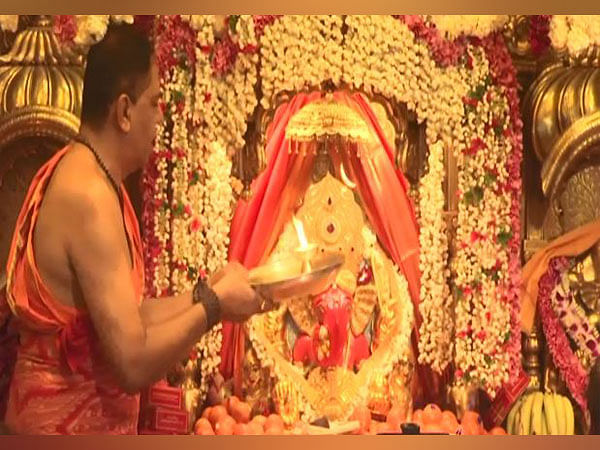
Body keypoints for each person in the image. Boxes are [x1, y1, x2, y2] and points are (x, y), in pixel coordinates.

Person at [0, 23, 269, 434]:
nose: (160, 118)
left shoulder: (100, 176)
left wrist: (207, 290)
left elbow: (129, 316)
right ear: (125, 111)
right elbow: (130, 361)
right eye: (155, 102)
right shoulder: (87, 194)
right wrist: (214, 307)